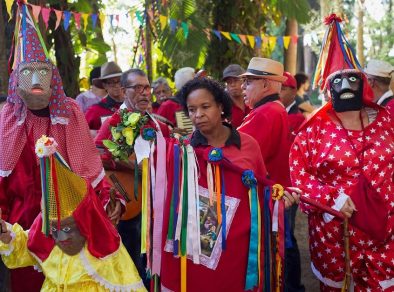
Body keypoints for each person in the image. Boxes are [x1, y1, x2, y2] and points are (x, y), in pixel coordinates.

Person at [0, 5, 122, 291]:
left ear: (52, 76)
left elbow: (88, 169)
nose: (34, 80)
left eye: (42, 71)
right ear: (16, 78)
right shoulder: (8, 118)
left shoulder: (69, 112)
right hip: (22, 228)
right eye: (27, 72)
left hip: (71, 223)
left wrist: (109, 200)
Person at [160, 78, 300, 292]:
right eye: (192, 109)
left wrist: (280, 200)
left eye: (205, 107)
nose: (198, 115)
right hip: (196, 252)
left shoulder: (249, 145)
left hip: (239, 249)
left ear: (221, 107)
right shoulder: (182, 150)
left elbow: (262, 191)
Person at [290, 14, 394, 291]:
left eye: (352, 79)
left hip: (385, 239)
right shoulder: (312, 131)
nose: (346, 86)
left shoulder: (386, 121)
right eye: (338, 81)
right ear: (327, 88)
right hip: (336, 239)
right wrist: (330, 198)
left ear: (363, 82)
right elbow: (300, 177)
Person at [0, 137, 145, 291]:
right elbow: (27, 244)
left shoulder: (104, 250)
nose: (61, 236)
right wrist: (7, 236)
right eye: (55, 229)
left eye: (68, 228)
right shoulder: (49, 228)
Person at [95, 68, 170, 288]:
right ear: (123, 90)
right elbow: (96, 154)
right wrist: (131, 165)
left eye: (146, 87)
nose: (144, 92)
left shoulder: (157, 125)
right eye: (136, 87)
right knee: (132, 266)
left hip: (155, 205)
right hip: (129, 205)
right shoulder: (114, 122)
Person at [85, 61, 124, 136]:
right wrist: (97, 133)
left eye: (119, 81)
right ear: (105, 85)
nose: (116, 85)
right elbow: (80, 131)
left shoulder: (131, 106)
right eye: (111, 82)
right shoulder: (95, 110)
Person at [279, 72, 306, 139]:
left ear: (294, 91)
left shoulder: (298, 119)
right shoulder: (274, 112)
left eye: (282, 88)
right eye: (276, 88)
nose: (277, 92)